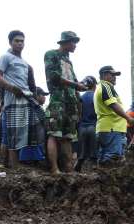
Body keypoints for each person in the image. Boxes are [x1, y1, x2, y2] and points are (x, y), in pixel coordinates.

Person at [44, 31, 87, 174]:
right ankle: (54, 168)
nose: (75, 45)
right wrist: (76, 85)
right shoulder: (51, 54)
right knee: (54, 133)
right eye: (73, 42)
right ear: (66, 42)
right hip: (57, 100)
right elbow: (54, 76)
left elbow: (74, 81)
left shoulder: (68, 60)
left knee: (68, 136)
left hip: (71, 102)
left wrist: (78, 91)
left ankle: (68, 169)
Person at [0, 30, 34, 168]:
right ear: (10, 42)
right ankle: (14, 168)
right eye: (17, 40)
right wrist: (11, 88)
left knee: (21, 135)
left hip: (24, 99)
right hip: (12, 100)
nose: (20, 43)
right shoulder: (6, 57)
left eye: (22, 41)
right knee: (12, 135)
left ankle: (14, 166)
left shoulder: (24, 63)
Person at [94, 66, 134, 165]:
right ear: (104, 75)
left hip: (106, 128)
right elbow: (113, 104)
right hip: (112, 128)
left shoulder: (100, 87)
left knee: (105, 158)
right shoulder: (106, 86)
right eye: (112, 75)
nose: (115, 77)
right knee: (112, 158)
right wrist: (128, 118)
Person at [74, 76, 98, 172]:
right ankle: (93, 172)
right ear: (95, 85)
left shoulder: (81, 98)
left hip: (82, 128)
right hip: (93, 126)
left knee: (81, 155)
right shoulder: (96, 97)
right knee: (93, 156)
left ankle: (78, 168)